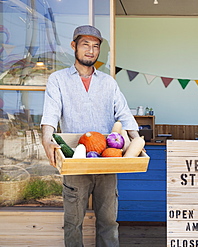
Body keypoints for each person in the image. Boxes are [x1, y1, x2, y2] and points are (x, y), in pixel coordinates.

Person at [41, 25, 140, 247]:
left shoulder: (108, 82)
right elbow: (50, 115)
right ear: (74, 46)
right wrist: (47, 140)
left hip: (107, 159)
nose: (91, 50)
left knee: (108, 221)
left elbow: (124, 114)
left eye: (96, 46)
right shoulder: (58, 80)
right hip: (76, 161)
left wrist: (137, 140)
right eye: (85, 44)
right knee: (72, 222)